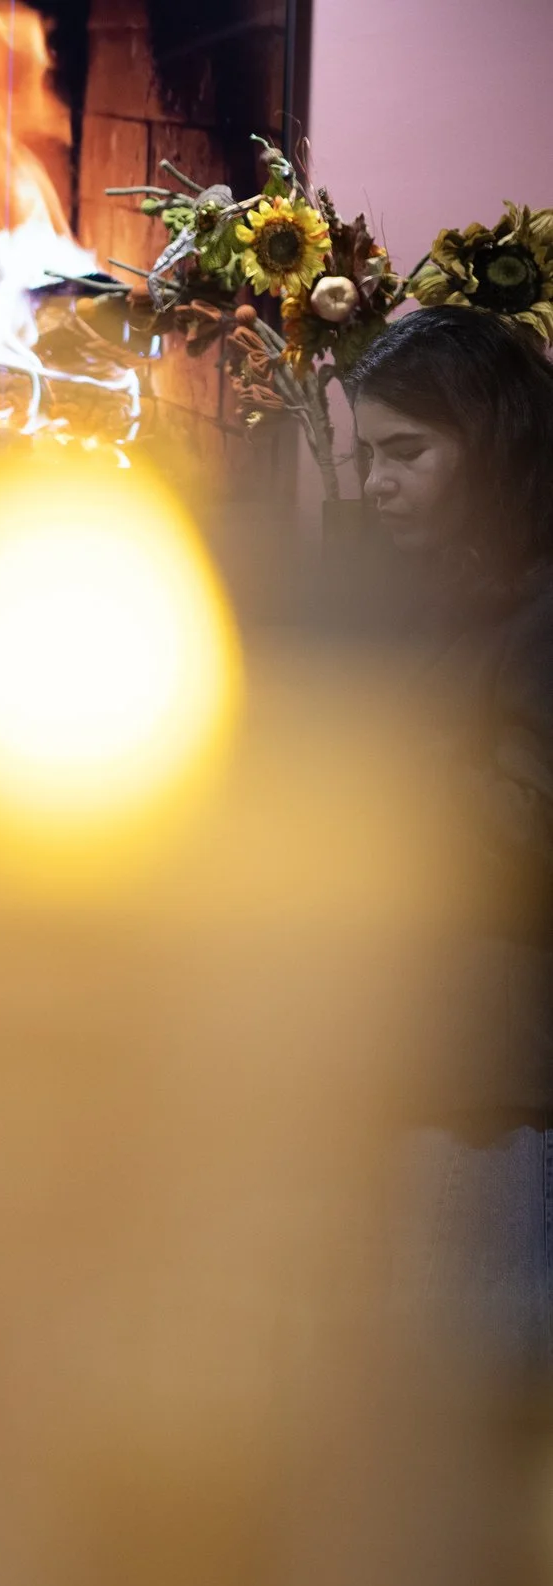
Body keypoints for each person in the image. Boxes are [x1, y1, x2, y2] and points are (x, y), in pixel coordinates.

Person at [347, 305, 553, 1365]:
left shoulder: (534, 612)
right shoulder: (441, 601)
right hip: (418, 1062)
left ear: (494, 442)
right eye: (364, 456)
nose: (373, 483)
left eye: (405, 454)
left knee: (468, 1397)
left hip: (496, 1082)